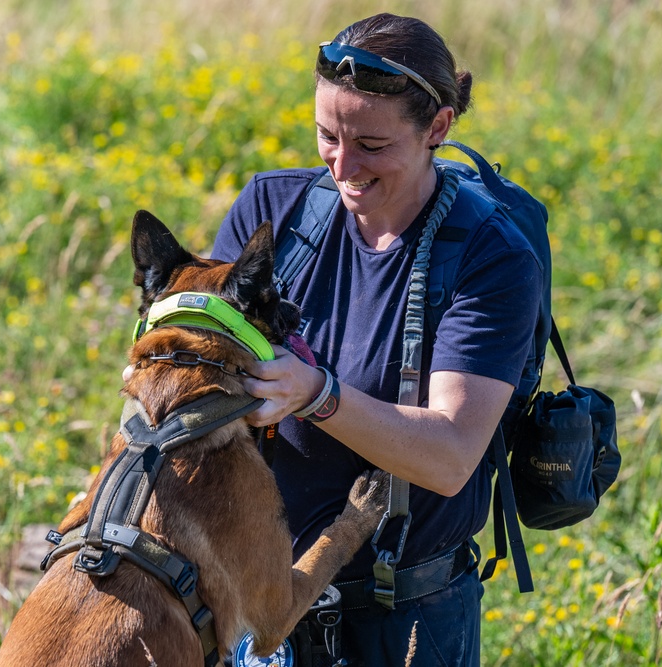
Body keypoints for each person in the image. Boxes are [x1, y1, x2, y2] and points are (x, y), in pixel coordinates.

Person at [210, 13, 542, 666]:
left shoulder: (490, 255)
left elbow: (449, 454)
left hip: (406, 618)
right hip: (254, 600)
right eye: (326, 136)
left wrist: (317, 393)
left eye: (370, 144)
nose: (342, 164)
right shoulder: (271, 213)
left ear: (438, 128)